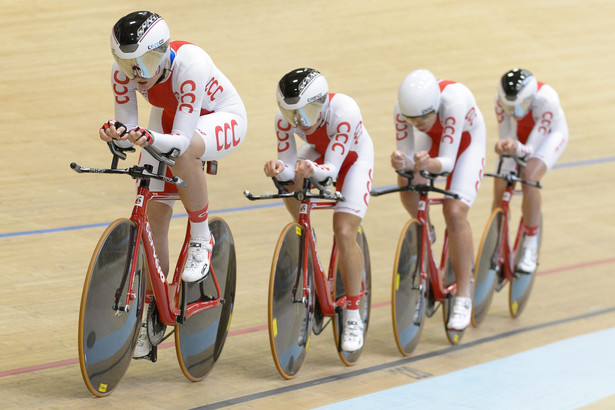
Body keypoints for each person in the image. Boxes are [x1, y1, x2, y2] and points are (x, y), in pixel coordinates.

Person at [98, 11, 247, 358]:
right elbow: (128, 131)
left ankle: (200, 237)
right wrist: (115, 134)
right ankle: (154, 310)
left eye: (148, 61)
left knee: (184, 154)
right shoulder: (124, 76)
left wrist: (150, 138)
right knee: (153, 216)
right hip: (170, 119)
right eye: (130, 64)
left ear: (165, 51)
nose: (140, 75)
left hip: (218, 116)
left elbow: (180, 141)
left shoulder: (191, 64)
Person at [263, 68, 374, 352]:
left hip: (352, 160)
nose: (297, 121)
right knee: (288, 182)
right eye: (291, 114)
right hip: (318, 153)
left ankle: (352, 313)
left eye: (303, 113)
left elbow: (331, 170)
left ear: (320, 104)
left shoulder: (344, 111)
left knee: (344, 230)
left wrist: (311, 169)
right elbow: (288, 164)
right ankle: (305, 232)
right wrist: (279, 167)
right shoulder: (285, 118)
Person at [390, 69, 486, 331]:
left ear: (435, 106)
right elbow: (408, 159)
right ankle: (427, 229)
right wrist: (403, 161)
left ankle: (464, 295)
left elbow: (446, 163)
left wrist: (426, 163)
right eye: (412, 119)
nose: (418, 123)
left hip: (466, 145)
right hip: (435, 142)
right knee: (406, 180)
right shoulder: (403, 108)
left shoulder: (453, 101)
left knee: (454, 213)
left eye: (424, 117)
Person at [493, 68, 568, 273]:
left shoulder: (548, 100)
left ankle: (530, 245)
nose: (513, 113)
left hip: (549, 137)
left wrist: (515, 147)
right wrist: (504, 146)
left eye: (519, 107)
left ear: (530, 98)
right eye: (509, 108)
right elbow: (507, 135)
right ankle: (496, 243)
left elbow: (530, 150)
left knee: (529, 178)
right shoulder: (500, 100)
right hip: (520, 137)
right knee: (500, 183)